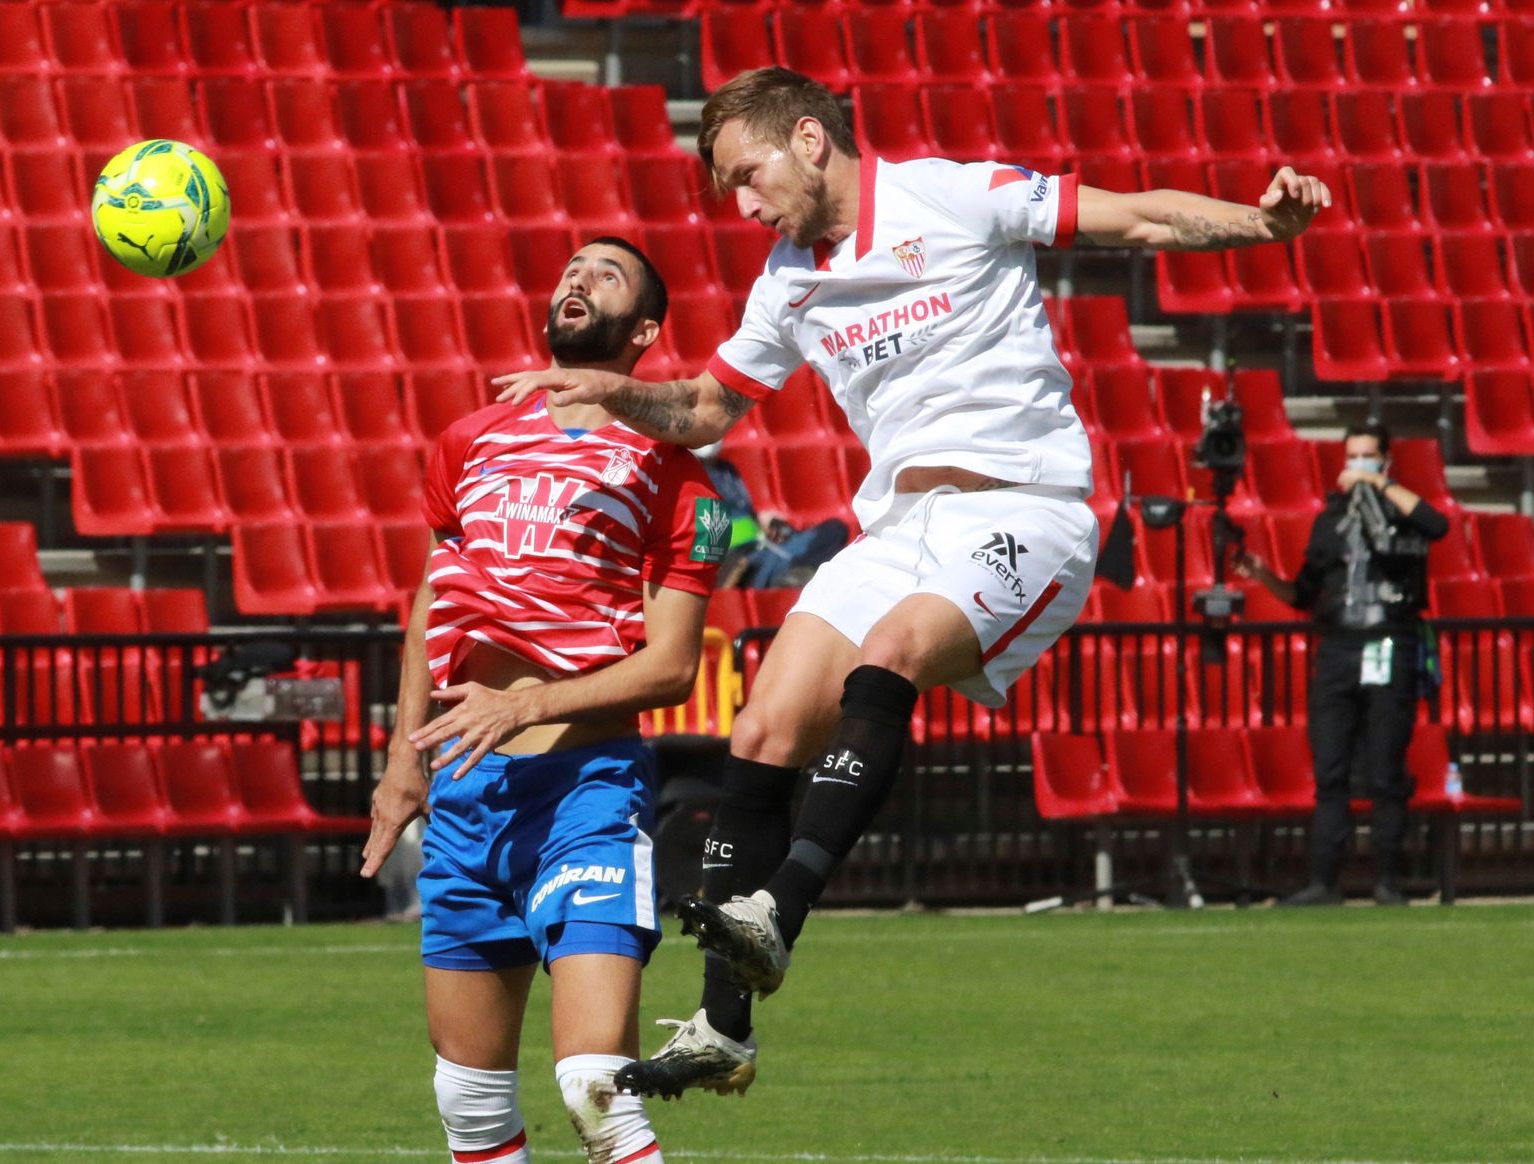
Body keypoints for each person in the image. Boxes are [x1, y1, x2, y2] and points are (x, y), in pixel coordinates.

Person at [493, 67, 1331, 1099]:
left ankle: (781, 909)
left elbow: (1138, 221)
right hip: (898, 525)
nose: (744, 207)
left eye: (747, 178)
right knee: (763, 727)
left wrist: (1260, 223)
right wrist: (616, 391)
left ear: (807, 139)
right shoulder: (787, 280)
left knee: (888, 653)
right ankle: (722, 1026)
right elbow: (708, 411)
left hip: (1023, 506)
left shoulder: (951, 194)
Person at [360, 237, 731, 1163]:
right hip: (465, 802)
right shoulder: (469, 439)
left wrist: (524, 708)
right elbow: (433, 603)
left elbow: (673, 669)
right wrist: (405, 759)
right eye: (571, 268)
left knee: (595, 1093)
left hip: (586, 796)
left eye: (606, 275)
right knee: (471, 1108)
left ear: (645, 331)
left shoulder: (677, 477)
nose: (577, 279)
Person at [1235, 423, 1447, 908]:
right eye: (1351, 456)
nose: (1356, 464)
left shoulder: (1402, 508)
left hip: (1389, 643)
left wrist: (1378, 485)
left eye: (1368, 456)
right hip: (1336, 649)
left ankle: (1388, 881)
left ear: (1385, 461)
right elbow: (1304, 594)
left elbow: (1438, 525)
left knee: (1384, 769)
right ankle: (1324, 880)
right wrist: (1263, 575)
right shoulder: (1329, 519)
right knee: (1329, 768)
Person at [693, 438, 850, 588]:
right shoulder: (694, 478)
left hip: (763, 545)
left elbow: (743, 512)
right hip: (742, 559)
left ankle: (797, 574)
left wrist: (762, 520)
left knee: (835, 529)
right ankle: (793, 576)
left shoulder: (727, 469)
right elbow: (707, 543)